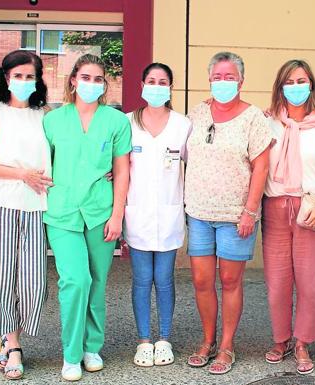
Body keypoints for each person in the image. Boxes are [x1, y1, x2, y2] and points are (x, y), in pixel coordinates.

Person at [42, 54, 131, 381]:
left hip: (100, 213)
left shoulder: (116, 122)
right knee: (75, 280)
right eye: (86, 77)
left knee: (96, 282)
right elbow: (42, 163)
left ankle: (92, 347)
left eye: (98, 79)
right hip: (62, 212)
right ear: (72, 81)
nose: (91, 84)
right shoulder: (52, 121)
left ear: (104, 85)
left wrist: (117, 215)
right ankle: (71, 353)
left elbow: (122, 170)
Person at [184, 52, 272, 375]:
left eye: (229, 76)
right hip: (199, 213)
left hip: (237, 217)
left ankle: (227, 345)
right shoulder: (197, 113)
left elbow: (261, 166)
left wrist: (250, 210)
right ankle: (207, 341)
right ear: (209, 80)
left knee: (230, 280)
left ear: (241, 81)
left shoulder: (253, 119)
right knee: (201, 280)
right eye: (217, 76)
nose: (223, 82)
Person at [0, 50, 53, 380]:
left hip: (36, 208)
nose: (23, 81)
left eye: (29, 76)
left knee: (34, 281)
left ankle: (12, 336)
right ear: (6, 78)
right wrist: (23, 175)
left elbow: (64, 155)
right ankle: (12, 343)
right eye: (17, 75)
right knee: (2, 278)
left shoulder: (45, 114)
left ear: (38, 81)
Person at [262, 60, 315, 375]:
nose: (296, 87)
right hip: (276, 207)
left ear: (311, 85)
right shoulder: (267, 122)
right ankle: (281, 339)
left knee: (309, 282)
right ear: (280, 86)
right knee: (277, 282)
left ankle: (303, 341)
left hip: (312, 207)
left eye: (302, 81)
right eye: (290, 81)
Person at [124, 63, 191, 367]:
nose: (156, 86)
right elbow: (119, 167)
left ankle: (163, 338)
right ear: (142, 84)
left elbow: (195, 167)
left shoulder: (182, 125)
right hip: (137, 215)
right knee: (141, 280)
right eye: (151, 80)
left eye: (162, 81)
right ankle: (143, 341)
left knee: (164, 280)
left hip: (169, 214)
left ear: (170, 87)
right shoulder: (127, 123)